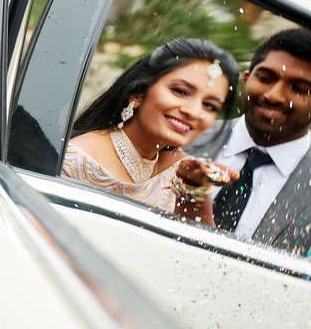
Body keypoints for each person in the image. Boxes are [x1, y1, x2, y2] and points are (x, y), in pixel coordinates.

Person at [185, 28, 311, 264]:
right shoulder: (183, 137)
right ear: (247, 79)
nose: (274, 95)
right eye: (265, 78)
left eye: (300, 89)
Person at [62, 38, 241, 225]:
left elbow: (200, 250)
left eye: (209, 106)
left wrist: (194, 188)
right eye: (180, 91)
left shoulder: (182, 168)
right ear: (139, 93)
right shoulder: (75, 159)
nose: (194, 112)